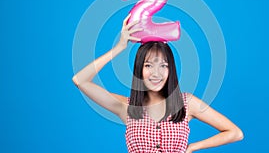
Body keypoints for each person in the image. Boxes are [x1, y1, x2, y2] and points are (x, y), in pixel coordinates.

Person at [72, 14, 244, 152]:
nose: (156, 73)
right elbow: (80, 80)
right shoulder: (126, 107)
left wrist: (192, 147)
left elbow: (235, 133)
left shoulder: (186, 103)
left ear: (171, 70)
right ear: (139, 69)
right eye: (148, 65)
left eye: (163, 65)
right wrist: (119, 47)